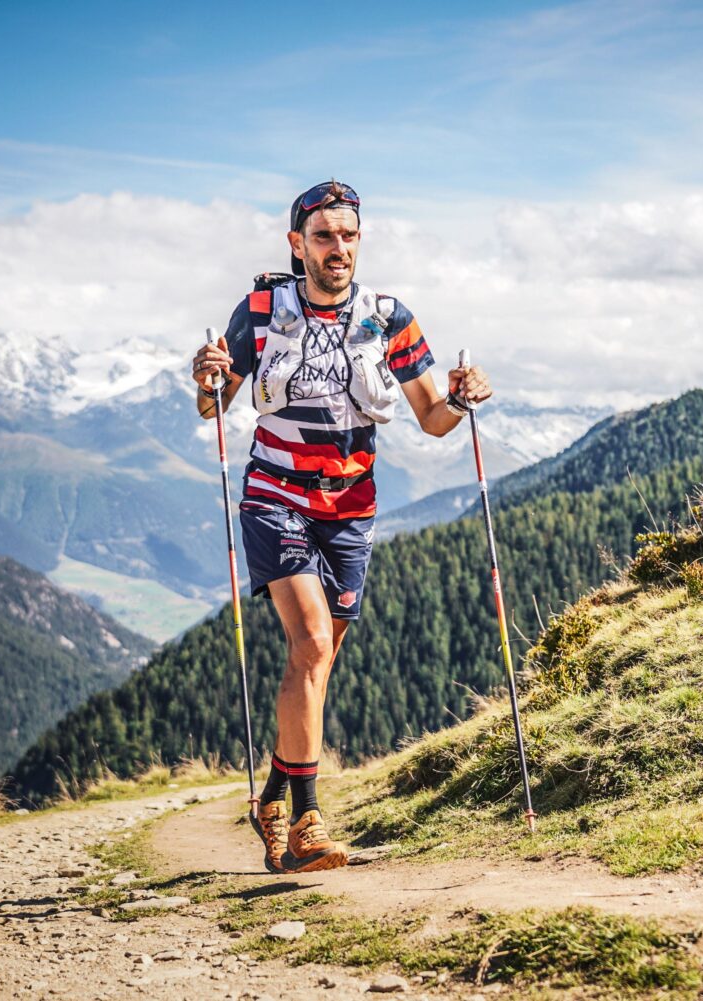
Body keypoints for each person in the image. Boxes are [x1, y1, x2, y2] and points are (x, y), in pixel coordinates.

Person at [190, 180, 492, 872]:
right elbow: (216, 406)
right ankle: (306, 825)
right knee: (314, 643)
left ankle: (270, 799)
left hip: (351, 510)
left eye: (349, 236)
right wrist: (204, 374)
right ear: (296, 245)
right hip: (275, 495)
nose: (338, 249)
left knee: (318, 665)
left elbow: (434, 419)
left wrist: (466, 396)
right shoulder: (263, 309)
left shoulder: (390, 318)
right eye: (323, 236)